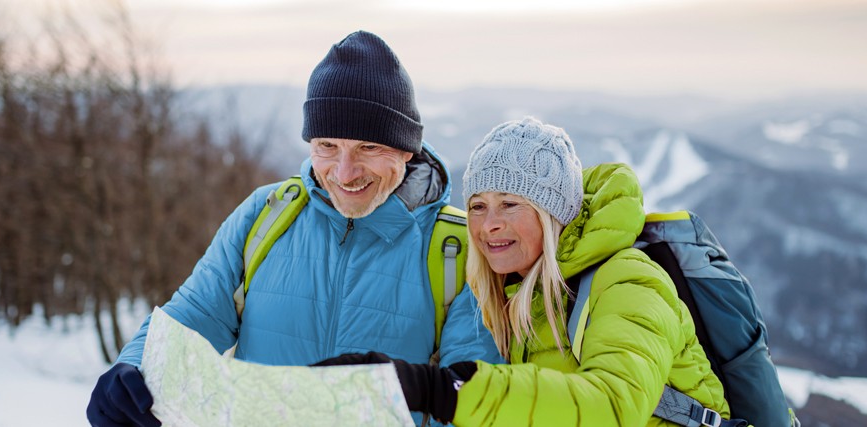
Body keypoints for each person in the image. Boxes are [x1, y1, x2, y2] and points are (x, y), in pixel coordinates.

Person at [86, 30, 501, 427]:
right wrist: (134, 367)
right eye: (327, 146)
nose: (344, 172)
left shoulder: (457, 247)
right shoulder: (266, 214)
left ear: (407, 149)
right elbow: (195, 314)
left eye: (368, 148)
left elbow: (472, 396)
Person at [316, 117, 728, 426]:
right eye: (478, 206)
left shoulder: (629, 281)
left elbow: (612, 406)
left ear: (553, 215)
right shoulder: (514, 292)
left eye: (510, 204)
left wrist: (441, 389)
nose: (489, 224)